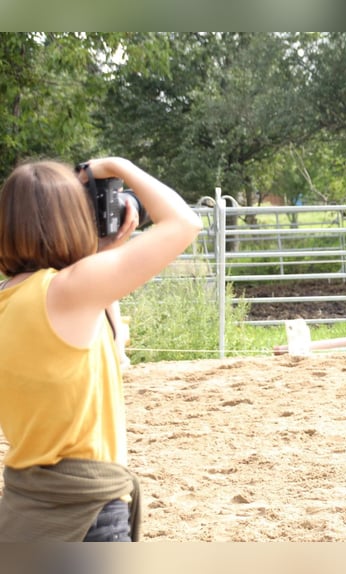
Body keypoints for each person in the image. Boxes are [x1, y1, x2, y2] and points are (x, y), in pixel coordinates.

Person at [0, 157, 202, 541]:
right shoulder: (69, 291)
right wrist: (118, 165)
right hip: (86, 513)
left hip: (22, 509)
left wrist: (101, 252)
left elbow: (103, 343)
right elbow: (184, 222)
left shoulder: (12, 299)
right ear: (71, 218)